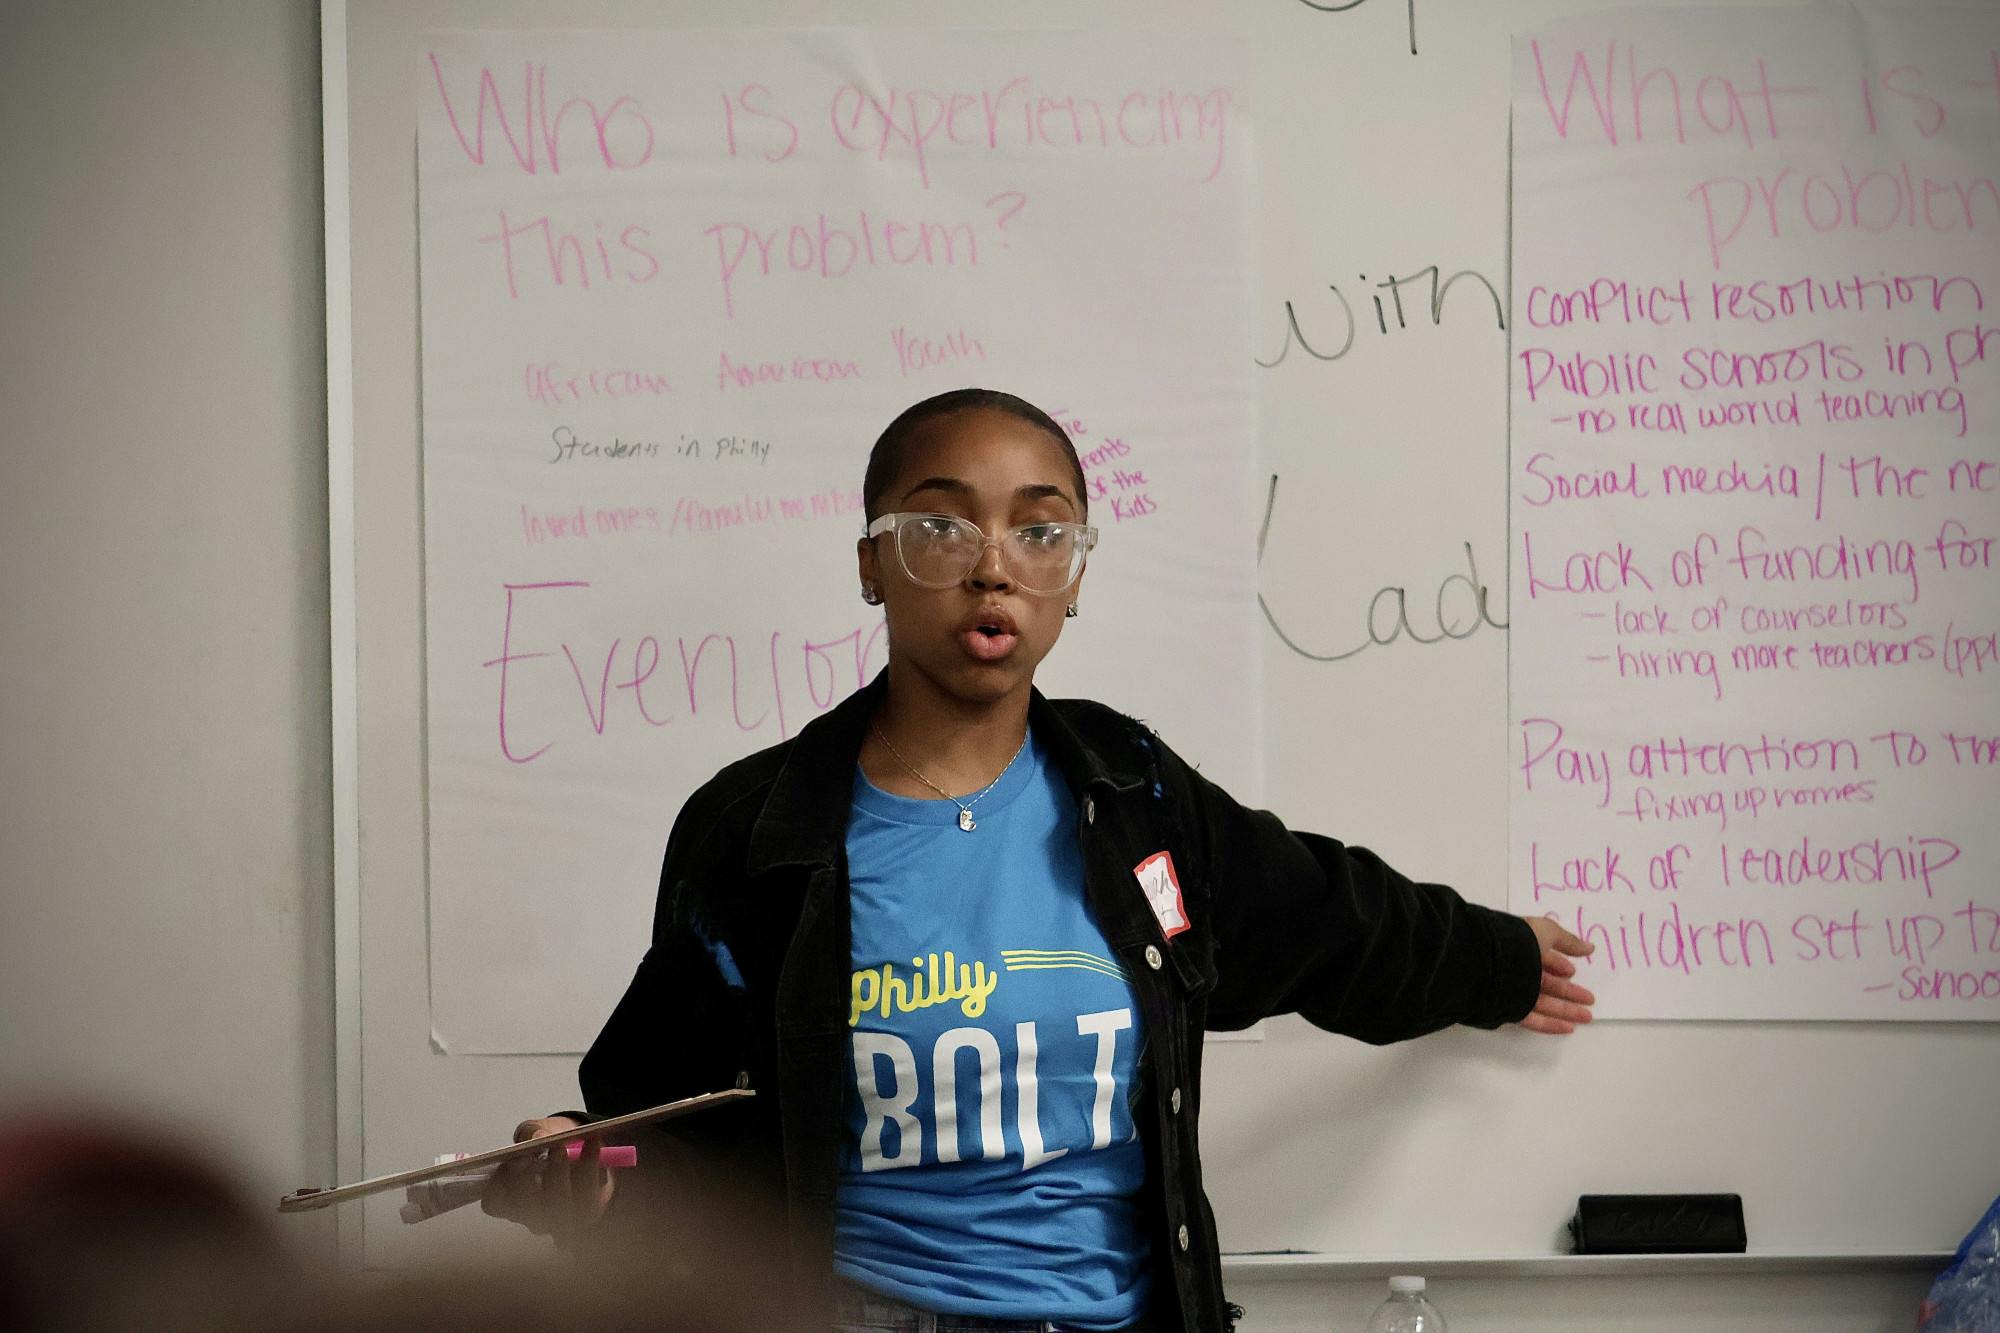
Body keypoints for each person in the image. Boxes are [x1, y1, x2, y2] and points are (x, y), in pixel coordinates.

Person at [485, 388, 1596, 1332]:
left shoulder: (1133, 794)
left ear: (1074, 572)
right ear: (872, 565)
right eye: (939, 528)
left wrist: (1496, 959)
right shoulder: (758, 831)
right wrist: (581, 1167)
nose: (990, 569)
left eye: (1038, 529)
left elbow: (1322, 920)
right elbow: (657, 1118)